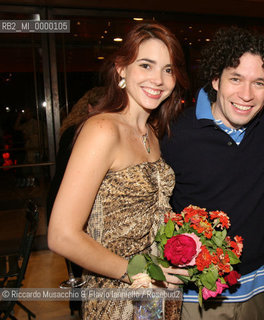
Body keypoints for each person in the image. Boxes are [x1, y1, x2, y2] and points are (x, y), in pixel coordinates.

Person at [48, 23, 189, 319]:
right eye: (146, 65)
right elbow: (61, 235)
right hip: (118, 294)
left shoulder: (151, 131)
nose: (159, 79)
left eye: (168, 69)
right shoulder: (102, 129)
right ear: (122, 69)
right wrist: (136, 273)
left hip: (154, 292)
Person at [161, 26, 264, 319]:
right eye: (236, 79)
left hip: (260, 288)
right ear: (216, 79)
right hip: (199, 297)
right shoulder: (175, 135)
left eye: (259, 83)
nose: (246, 95)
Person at [46, 86, 105, 317]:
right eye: (101, 108)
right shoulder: (81, 132)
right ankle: (81, 306)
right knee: (79, 261)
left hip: (62, 197)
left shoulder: (75, 129)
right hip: (69, 201)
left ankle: (78, 306)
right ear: (90, 108)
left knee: (77, 263)